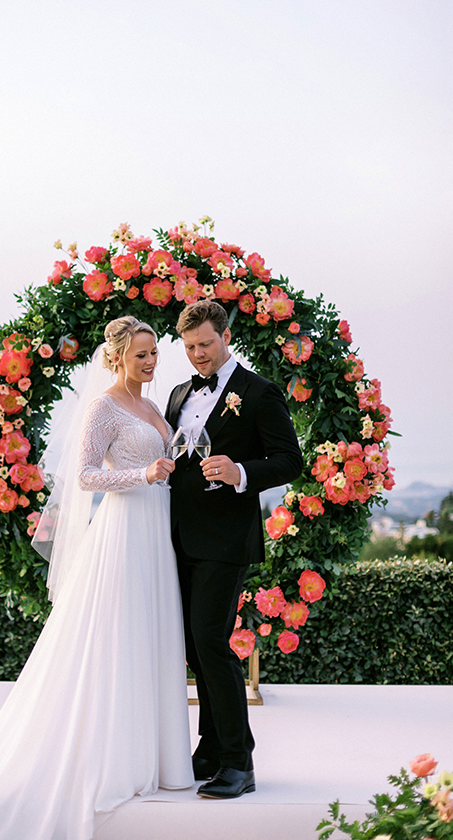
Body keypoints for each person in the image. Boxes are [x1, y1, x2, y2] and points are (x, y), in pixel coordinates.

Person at [0, 316, 194, 840]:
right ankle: (117, 759)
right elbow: (85, 475)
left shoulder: (152, 406)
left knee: (154, 634)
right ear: (118, 356)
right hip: (124, 531)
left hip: (159, 530)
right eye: (141, 354)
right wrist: (142, 474)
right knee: (120, 637)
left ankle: (161, 757)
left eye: (154, 355)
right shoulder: (104, 406)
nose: (150, 363)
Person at [165, 300, 303, 800]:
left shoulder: (259, 392)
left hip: (225, 541)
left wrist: (241, 472)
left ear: (225, 335)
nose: (198, 354)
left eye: (205, 344)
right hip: (176, 536)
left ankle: (237, 764)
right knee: (191, 649)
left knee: (211, 642)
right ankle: (210, 747)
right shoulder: (180, 392)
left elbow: (290, 461)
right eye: (189, 347)